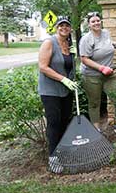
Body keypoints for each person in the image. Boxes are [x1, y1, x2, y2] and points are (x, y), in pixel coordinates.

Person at [79, 12, 116, 137]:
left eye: (98, 20)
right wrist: (101, 68)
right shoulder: (86, 39)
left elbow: (108, 43)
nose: (96, 23)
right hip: (91, 75)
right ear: (89, 25)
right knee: (94, 103)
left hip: (109, 74)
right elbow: (84, 59)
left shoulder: (106, 33)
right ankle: (96, 129)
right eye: (93, 21)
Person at [38, 16, 78, 173]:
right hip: (50, 91)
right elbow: (43, 67)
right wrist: (63, 79)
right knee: (54, 123)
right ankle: (53, 158)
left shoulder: (69, 44)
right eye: (61, 25)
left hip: (65, 91)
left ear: (70, 29)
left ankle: (62, 152)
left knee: (64, 121)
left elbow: (69, 67)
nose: (64, 28)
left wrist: (74, 57)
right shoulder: (49, 43)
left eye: (67, 26)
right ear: (56, 27)